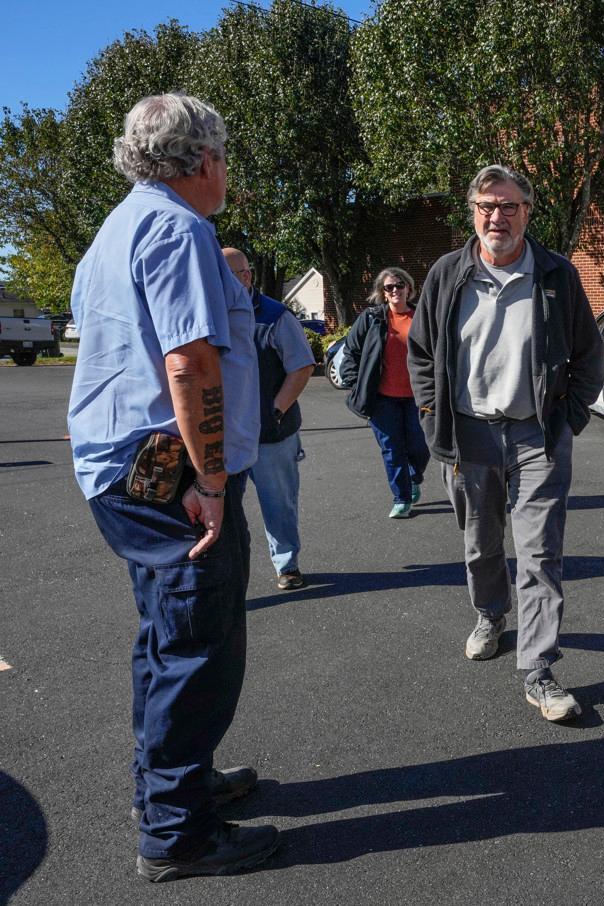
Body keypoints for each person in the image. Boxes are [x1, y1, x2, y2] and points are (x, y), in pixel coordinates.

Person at [66, 93, 278, 881]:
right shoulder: (180, 228)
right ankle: (176, 832)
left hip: (127, 470)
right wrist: (213, 480)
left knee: (166, 638)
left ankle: (171, 787)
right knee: (196, 643)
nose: (225, 173)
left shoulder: (116, 228)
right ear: (201, 161)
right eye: (223, 157)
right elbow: (189, 363)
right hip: (168, 476)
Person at [408, 164, 604, 722]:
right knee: (480, 542)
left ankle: (538, 671)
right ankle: (491, 613)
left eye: (509, 206)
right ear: (473, 212)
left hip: (536, 435)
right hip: (467, 433)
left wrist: (566, 421)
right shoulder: (448, 274)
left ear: (527, 211)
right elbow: (421, 354)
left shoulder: (557, 276)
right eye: (487, 206)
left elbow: (590, 356)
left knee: (540, 552)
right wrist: (430, 415)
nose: (498, 216)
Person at [223, 248, 314, 589]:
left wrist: (275, 410)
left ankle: (287, 564)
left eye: (232, 274)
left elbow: (302, 367)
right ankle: (227, 575)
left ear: (246, 277)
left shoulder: (276, 316)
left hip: (271, 434)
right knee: (224, 508)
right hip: (226, 434)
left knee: (279, 505)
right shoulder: (209, 313)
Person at [340, 267, 431, 518]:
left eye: (399, 285)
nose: (395, 291)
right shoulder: (372, 318)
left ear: (409, 288)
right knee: (392, 448)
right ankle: (401, 498)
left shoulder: (422, 318)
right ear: (383, 293)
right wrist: (354, 382)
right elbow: (351, 351)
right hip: (381, 399)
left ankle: (413, 478)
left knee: (420, 447)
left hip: (418, 397)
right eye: (389, 287)